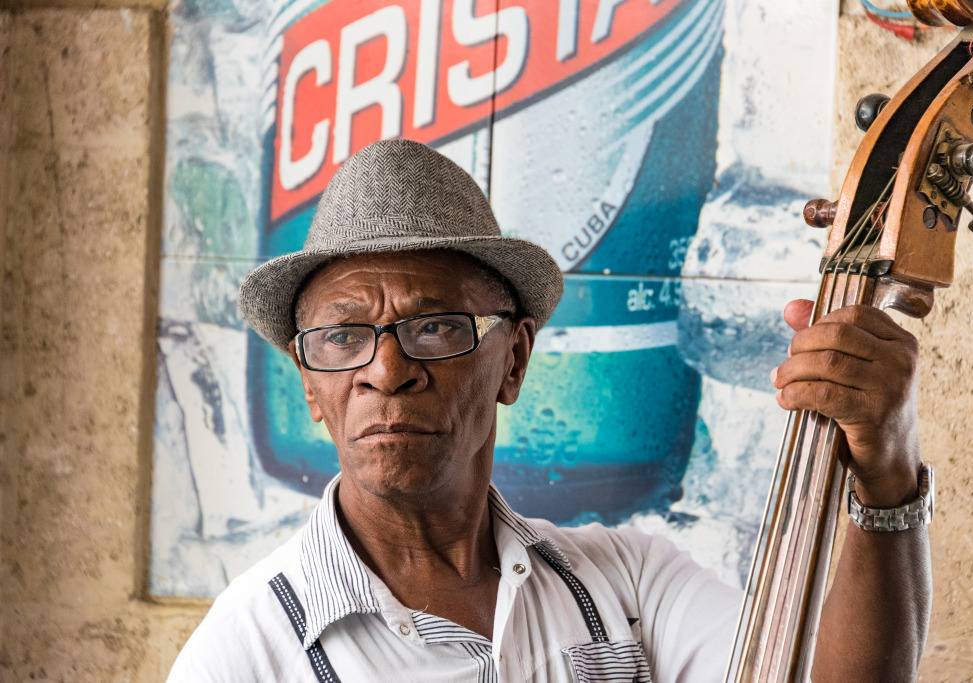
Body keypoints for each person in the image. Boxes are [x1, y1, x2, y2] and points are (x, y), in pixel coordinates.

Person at [168, 139, 932, 682]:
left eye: (435, 326)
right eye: (341, 337)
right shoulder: (246, 652)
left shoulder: (629, 582)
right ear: (309, 383)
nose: (387, 370)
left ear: (515, 359)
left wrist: (886, 468)